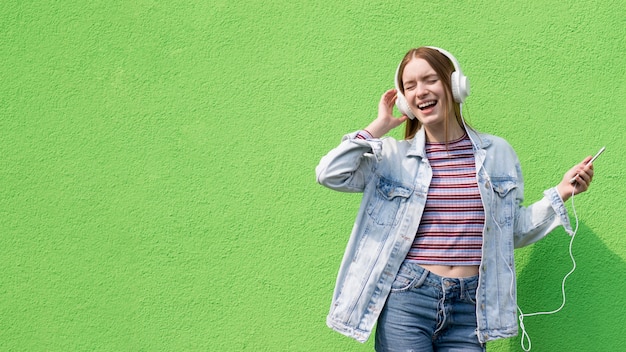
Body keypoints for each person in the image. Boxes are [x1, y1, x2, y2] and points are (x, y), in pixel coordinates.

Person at [315, 46, 595, 351]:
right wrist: (378, 126)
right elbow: (330, 173)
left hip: (471, 305)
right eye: (410, 86)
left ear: (455, 84)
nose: (420, 92)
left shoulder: (498, 153)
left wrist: (563, 192)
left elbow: (511, 231)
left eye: (429, 80)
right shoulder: (392, 156)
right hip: (408, 298)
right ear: (405, 100)